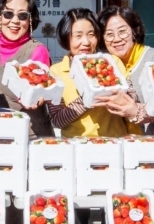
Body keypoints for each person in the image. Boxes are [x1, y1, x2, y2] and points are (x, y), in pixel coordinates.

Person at [46, 8, 143, 137]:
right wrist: (86, 99)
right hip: (76, 144)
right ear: (66, 38)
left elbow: (133, 96)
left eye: (91, 34)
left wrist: (114, 95)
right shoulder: (56, 72)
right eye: (78, 36)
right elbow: (57, 120)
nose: (86, 42)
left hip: (114, 142)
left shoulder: (112, 62)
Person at [0, 0, 54, 137]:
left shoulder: (37, 50)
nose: (15, 21)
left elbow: (34, 92)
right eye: (8, 14)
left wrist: (36, 96)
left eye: (22, 16)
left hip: (30, 136)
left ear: (30, 19)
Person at [97, 6, 154, 135]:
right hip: (123, 142)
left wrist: (136, 111)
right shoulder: (107, 66)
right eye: (109, 34)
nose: (116, 39)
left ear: (134, 31)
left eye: (122, 31)